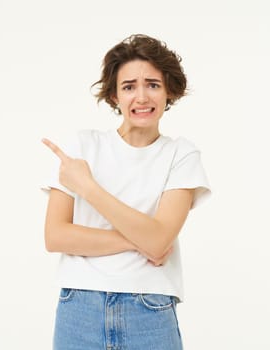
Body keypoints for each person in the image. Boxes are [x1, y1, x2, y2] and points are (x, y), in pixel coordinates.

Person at [42, 34, 211, 350]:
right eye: (129, 86)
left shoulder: (182, 155)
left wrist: (88, 187)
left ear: (169, 91)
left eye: (153, 85)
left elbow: (160, 240)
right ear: (114, 96)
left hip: (149, 310)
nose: (142, 97)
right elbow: (56, 236)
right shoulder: (81, 146)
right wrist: (140, 242)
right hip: (79, 306)